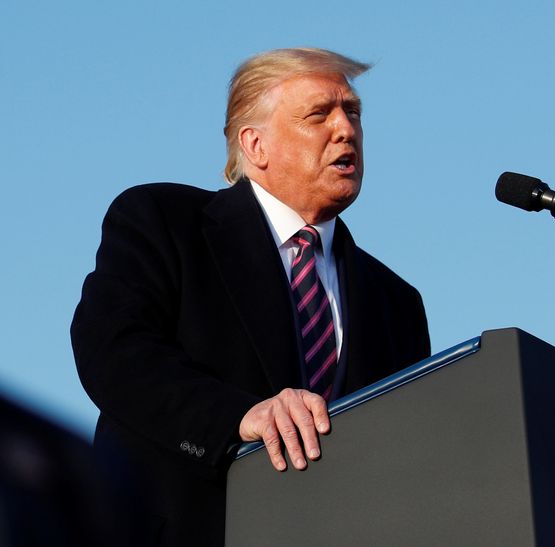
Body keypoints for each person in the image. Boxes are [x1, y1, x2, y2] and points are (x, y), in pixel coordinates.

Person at [71, 48, 431, 546]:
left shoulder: (396, 302)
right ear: (255, 144)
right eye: (319, 114)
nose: (346, 130)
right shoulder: (163, 221)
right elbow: (113, 352)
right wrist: (239, 416)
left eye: (353, 112)